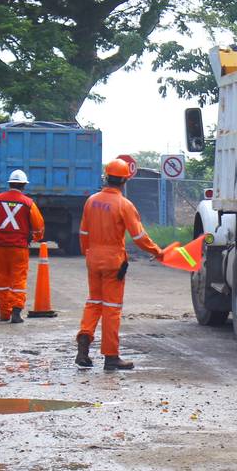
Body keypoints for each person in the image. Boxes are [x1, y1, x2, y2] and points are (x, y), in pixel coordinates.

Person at [76, 159, 163, 371]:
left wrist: (88, 254)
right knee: (112, 309)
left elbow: (83, 233)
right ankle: (111, 356)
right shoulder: (124, 205)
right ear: (125, 180)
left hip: (93, 258)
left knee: (94, 302)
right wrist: (157, 251)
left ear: (106, 177)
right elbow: (139, 236)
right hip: (113, 261)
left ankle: (84, 343)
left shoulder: (91, 201)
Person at [0, 169, 45, 323]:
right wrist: (36, 238)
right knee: (18, 280)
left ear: (9, 183)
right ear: (24, 185)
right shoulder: (29, 203)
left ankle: (4, 313)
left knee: (2, 280)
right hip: (19, 248)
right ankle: (16, 311)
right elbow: (39, 226)